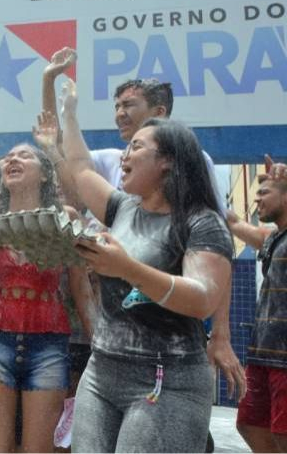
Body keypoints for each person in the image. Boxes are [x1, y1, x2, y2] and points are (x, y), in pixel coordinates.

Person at [41, 47, 246, 406]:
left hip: (169, 359)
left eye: (129, 106)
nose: (119, 114)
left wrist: (222, 334)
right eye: (116, 106)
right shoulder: (115, 176)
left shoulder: (198, 183)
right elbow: (70, 157)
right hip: (110, 351)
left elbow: (216, 258)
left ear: (159, 114)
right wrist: (58, 95)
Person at [57, 89, 234, 451]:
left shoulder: (202, 224)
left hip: (167, 380)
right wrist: (69, 114)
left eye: (136, 148)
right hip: (101, 375)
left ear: (167, 161)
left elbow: (201, 299)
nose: (124, 156)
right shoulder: (122, 208)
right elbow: (78, 168)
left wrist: (126, 268)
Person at [0, 139, 90, 453]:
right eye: (8, 156)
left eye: (24, 155)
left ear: (45, 174)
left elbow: (81, 286)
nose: (12, 159)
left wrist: (99, 342)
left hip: (48, 341)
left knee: (39, 449)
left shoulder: (65, 216)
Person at [233, 164, 287, 452]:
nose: (257, 199)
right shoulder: (275, 239)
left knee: (284, 433)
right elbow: (233, 221)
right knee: (249, 424)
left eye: (264, 192)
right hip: (263, 355)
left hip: (284, 360)